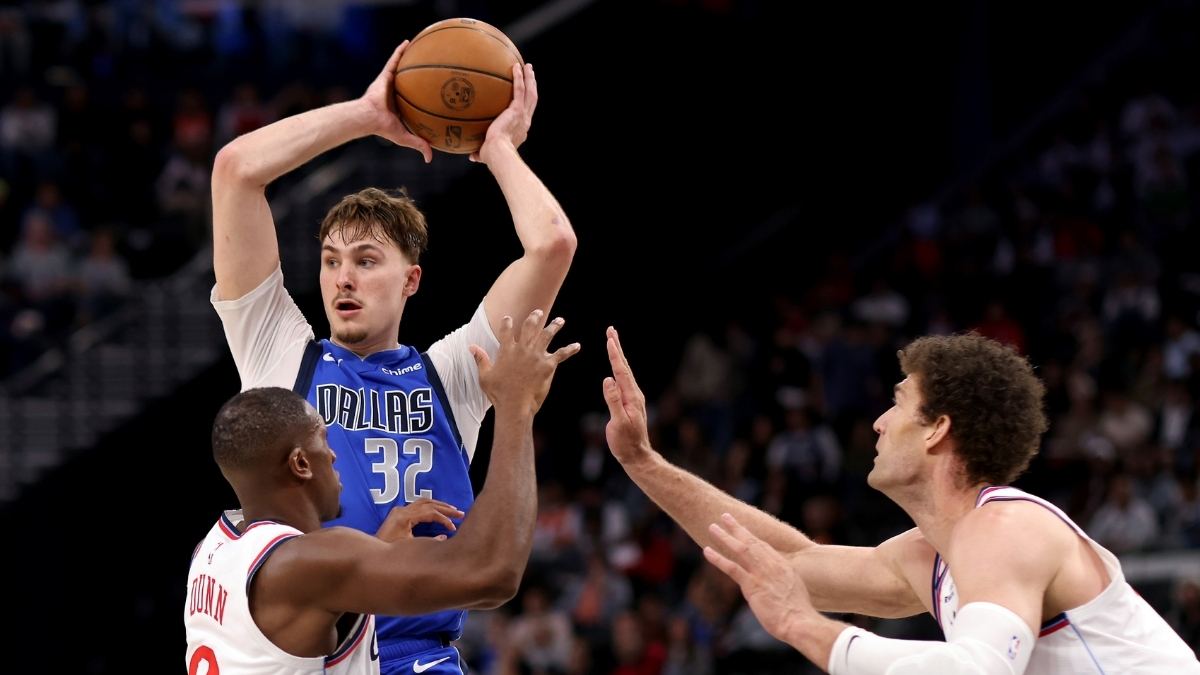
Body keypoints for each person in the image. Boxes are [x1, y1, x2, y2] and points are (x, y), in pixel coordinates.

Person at [209, 40, 575, 675]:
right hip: (312, 648)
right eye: (330, 261)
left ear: (411, 281)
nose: (342, 279)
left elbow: (552, 244)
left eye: (366, 261)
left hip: (418, 657)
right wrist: (367, 114)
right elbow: (237, 169)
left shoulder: (455, 373)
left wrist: (498, 150)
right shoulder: (279, 352)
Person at [600, 328, 1200, 674]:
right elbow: (790, 559)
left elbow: (976, 672)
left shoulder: (1006, 527)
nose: (878, 424)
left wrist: (807, 630)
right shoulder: (931, 555)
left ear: (937, 428)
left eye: (897, 403)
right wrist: (643, 463)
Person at [185, 310, 579, 674]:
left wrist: (376, 550)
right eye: (324, 438)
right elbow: (494, 574)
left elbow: (295, 625)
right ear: (301, 463)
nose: (334, 452)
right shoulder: (309, 563)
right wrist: (517, 408)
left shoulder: (213, 551)